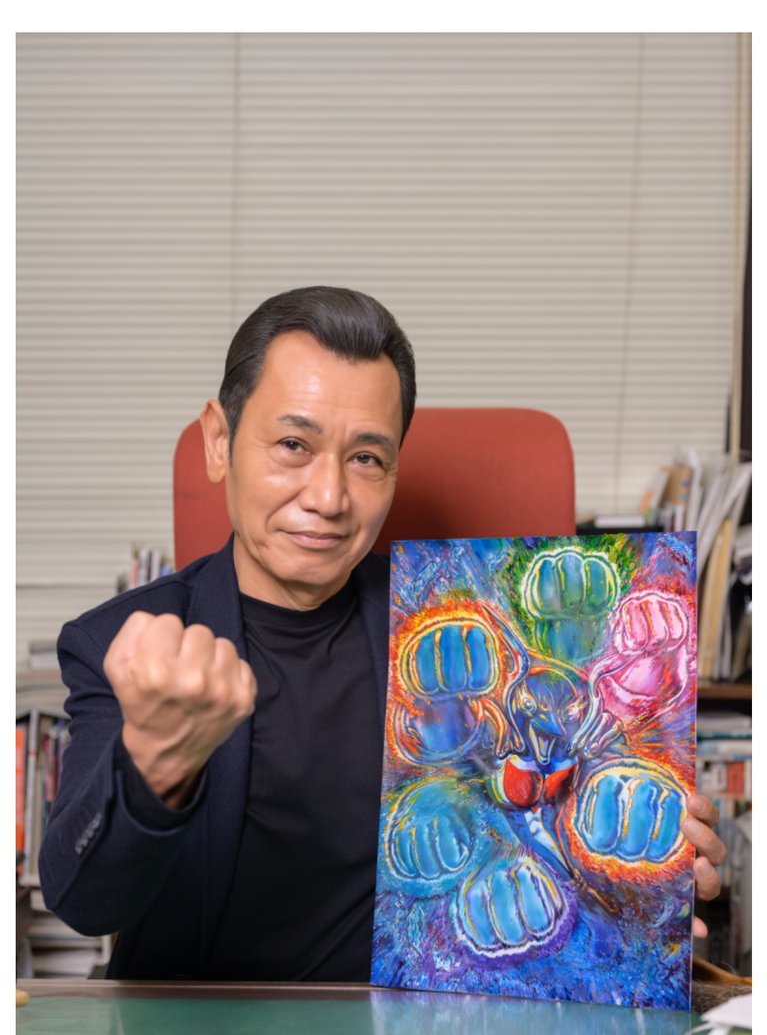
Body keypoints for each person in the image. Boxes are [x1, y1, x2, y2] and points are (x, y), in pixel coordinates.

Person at [39, 285, 726, 982]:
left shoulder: (447, 623)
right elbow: (84, 901)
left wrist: (647, 892)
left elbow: (540, 792)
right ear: (220, 442)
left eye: (366, 458)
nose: (328, 497)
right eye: (293, 445)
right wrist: (156, 761)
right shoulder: (124, 644)